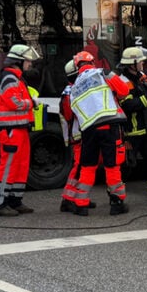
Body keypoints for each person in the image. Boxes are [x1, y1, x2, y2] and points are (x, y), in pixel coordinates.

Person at [70, 51, 130, 216]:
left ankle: (81, 203)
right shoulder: (102, 72)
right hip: (108, 124)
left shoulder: (74, 87)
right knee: (111, 165)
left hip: (88, 130)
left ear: (77, 67)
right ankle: (117, 202)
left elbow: (73, 112)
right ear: (92, 61)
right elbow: (124, 90)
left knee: (88, 166)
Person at [0, 44, 40, 217]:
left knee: (21, 166)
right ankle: (1, 203)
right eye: (27, 61)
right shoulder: (9, 78)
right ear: (18, 61)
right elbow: (15, 103)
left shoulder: (16, 78)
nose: (30, 64)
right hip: (11, 130)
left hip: (19, 129)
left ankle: (15, 201)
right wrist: (32, 103)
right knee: (9, 167)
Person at [117, 46, 147, 205]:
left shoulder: (142, 77)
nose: (143, 63)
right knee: (126, 167)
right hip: (132, 133)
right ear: (133, 63)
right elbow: (130, 105)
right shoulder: (123, 82)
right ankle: (116, 196)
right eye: (141, 61)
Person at [58, 60, 95, 213]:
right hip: (78, 135)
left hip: (80, 134)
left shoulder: (73, 89)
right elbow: (70, 114)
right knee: (79, 167)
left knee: (81, 166)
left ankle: (74, 197)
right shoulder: (70, 91)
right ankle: (69, 200)